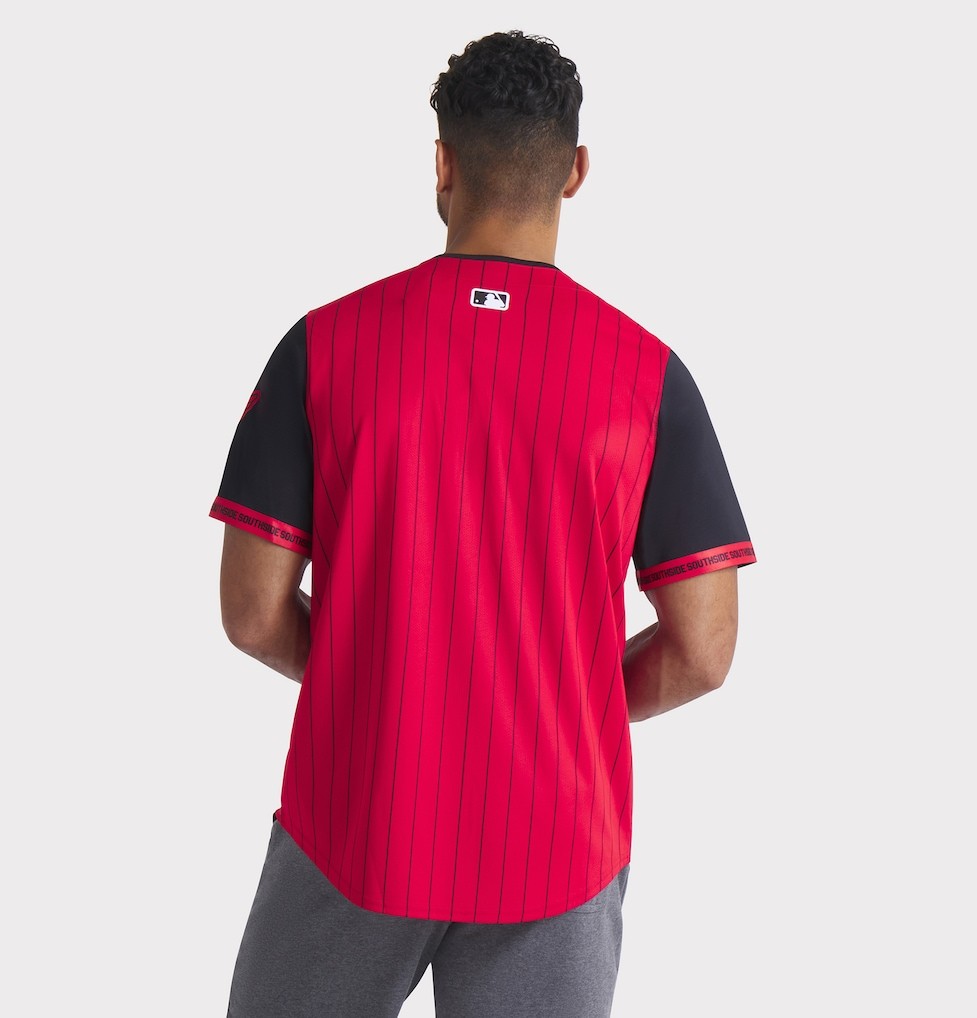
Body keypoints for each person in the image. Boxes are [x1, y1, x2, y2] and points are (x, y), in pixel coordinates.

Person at [210, 29, 755, 1018]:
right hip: (558, 839)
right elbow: (704, 650)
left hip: (355, 816)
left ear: (442, 163)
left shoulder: (324, 347)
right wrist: (557, 709)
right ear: (576, 171)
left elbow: (252, 614)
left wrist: (380, 683)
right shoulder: (647, 377)